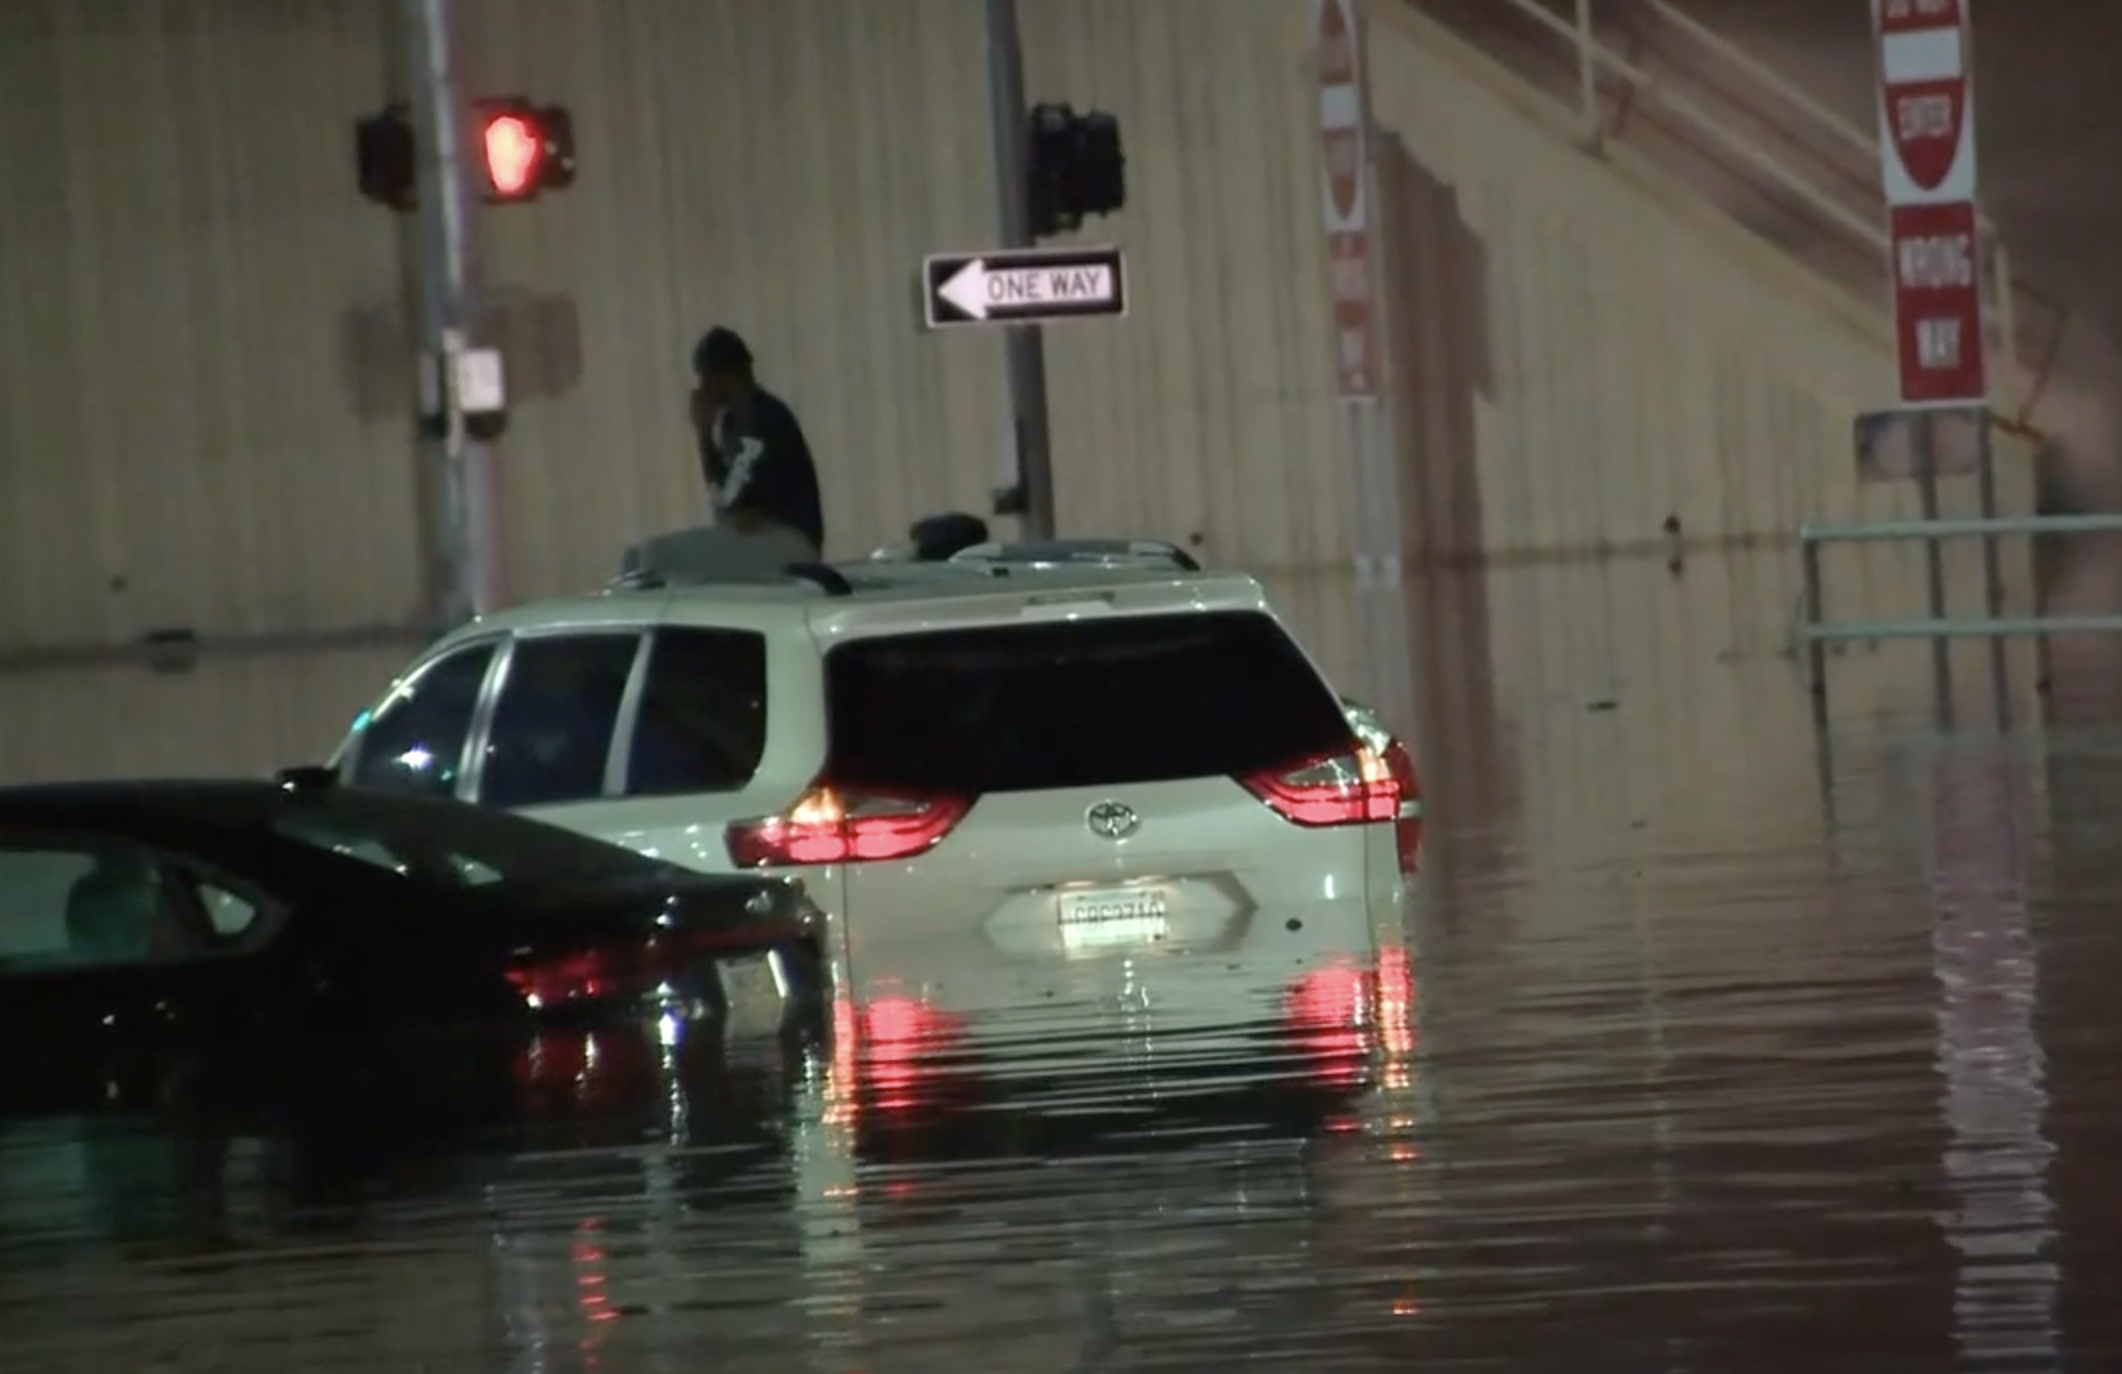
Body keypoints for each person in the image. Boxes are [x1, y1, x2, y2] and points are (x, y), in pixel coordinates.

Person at [689, 326, 826, 557]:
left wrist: (703, 436)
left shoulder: (762, 420)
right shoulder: (732, 423)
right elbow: (726, 503)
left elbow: (729, 501)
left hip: (790, 543)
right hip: (770, 541)